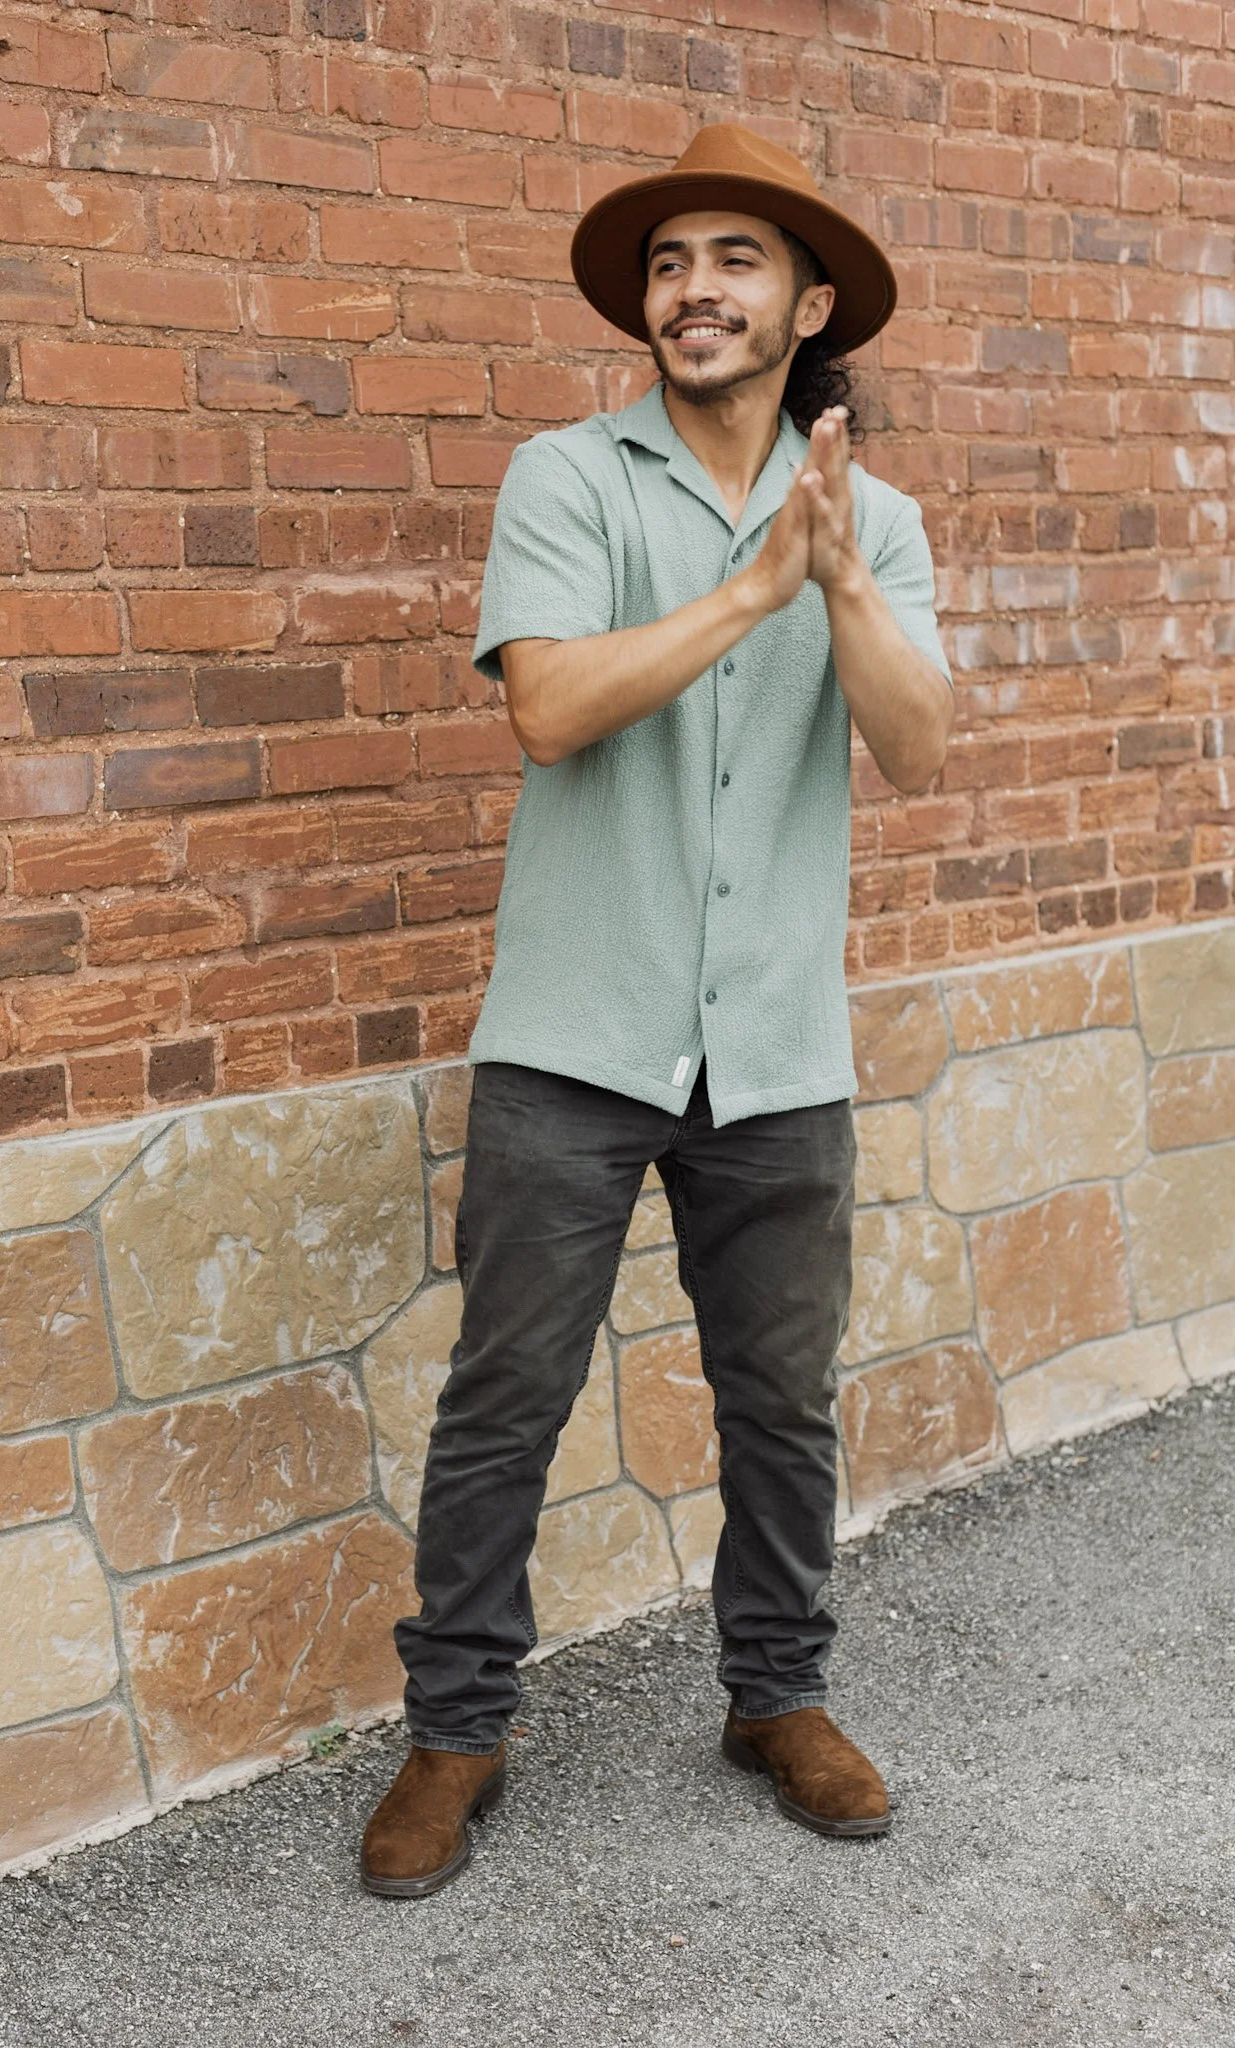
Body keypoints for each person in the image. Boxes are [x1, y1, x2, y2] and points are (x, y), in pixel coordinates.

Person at [361, 123, 955, 1898]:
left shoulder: (886, 521)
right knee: (507, 1398)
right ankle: (456, 1732)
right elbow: (548, 709)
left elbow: (917, 752)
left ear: (810, 301)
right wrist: (749, 588)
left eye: (738, 258)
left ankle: (776, 1698)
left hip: (776, 1038)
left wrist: (837, 577)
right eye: (672, 261)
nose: (695, 288)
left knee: (781, 1401)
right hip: (577, 1030)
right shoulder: (569, 478)